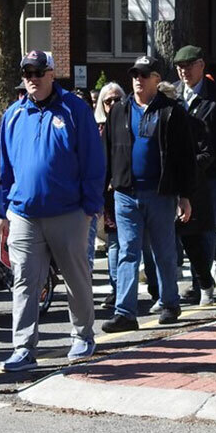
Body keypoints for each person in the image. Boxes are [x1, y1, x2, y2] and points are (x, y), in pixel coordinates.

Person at [0, 50, 102, 371]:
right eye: (27, 73)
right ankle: (23, 346)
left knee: (76, 276)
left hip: (69, 212)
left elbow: (93, 160)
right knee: (25, 281)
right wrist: (2, 211)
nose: (32, 78)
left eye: (38, 72)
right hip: (24, 214)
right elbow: (3, 167)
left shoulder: (75, 110)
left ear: (51, 74)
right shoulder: (13, 115)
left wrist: (90, 207)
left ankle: (83, 334)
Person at [101, 55, 197, 331]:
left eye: (144, 75)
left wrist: (185, 196)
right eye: (135, 75)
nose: (138, 80)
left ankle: (169, 303)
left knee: (163, 251)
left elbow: (184, 157)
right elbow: (107, 150)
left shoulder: (172, 111)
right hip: (125, 194)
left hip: (160, 193)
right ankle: (125, 313)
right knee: (127, 252)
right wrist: (104, 187)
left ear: (157, 78)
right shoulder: (119, 110)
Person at [173, 45, 216, 296]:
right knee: (181, 229)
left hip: (209, 175)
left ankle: (200, 282)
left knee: (205, 228)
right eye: (180, 67)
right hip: (179, 175)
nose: (184, 72)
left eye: (189, 66)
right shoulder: (173, 94)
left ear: (201, 65)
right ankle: (194, 279)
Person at [94, 82, 124, 309]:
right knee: (114, 243)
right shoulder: (94, 128)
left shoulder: (128, 124)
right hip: (104, 195)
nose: (113, 104)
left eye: (117, 99)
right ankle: (116, 290)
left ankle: (154, 286)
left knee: (137, 245)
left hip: (126, 190)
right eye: (108, 100)